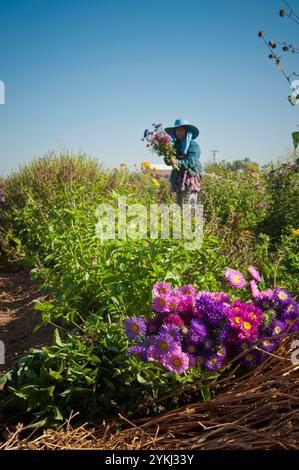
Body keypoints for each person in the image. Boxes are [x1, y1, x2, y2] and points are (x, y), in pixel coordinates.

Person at [164, 118, 202, 208]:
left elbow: (191, 162)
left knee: (189, 206)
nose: (178, 132)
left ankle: (190, 221)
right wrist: (168, 159)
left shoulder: (193, 145)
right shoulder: (175, 146)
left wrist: (176, 162)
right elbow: (172, 161)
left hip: (190, 178)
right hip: (178, 179)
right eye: (177, 130)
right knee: (179, 206)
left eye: (181, 130)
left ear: (186, 131)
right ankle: (183, 221)